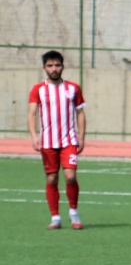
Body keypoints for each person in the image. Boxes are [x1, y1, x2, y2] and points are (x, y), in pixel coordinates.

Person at [27, 50, 87, 230]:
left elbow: (81, 113)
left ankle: (74, 213)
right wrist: (34, 136)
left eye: (57, 65)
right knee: (52, 179)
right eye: (50, 66)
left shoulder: (73, 88)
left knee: (70, 176)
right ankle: (55, 217)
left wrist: (81, 137)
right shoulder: (38, 89)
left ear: (63, 66)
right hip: (48, 142)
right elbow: (31, 114)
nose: (54, 69)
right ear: (44, 67)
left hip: (69, 140)